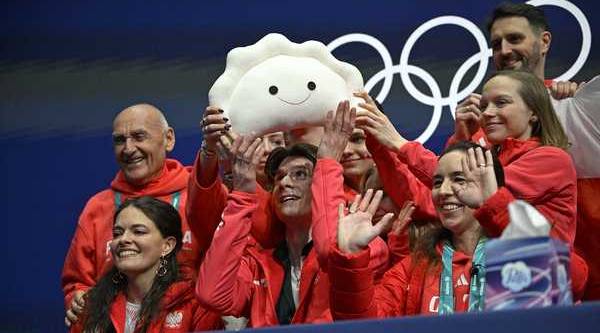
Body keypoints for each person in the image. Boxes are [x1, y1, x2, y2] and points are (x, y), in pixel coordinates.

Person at [356, 70, 588, 299]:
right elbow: (426, 193)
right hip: (490, 286)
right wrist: (379, 144)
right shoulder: (487, 157)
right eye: (484, 105)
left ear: (534, 113)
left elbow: (472, 184)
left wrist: (398, 142)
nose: (488, 113)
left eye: (501, 103)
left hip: (542, 289)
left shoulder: (552, 160)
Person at [450, 2, 600, 299]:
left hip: (583, 270)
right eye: (496, 43)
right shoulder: (486, 124)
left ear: (544, 42)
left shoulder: (576, 105)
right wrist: (459, 139)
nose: (504, 50)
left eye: (515, 39)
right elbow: (450, 190)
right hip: (516, 286)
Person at [195, 103, 388, 327]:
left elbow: (330, 252)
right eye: (278, 178)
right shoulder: (259, 263)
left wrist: (329, 161)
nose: (285, 183)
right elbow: (211, 294)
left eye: (300, 174)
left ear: (319, 186)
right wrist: (243, 194)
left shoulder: (365, 247)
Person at [62, 104, 217, 326]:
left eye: (139, 136)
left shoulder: (200, 194)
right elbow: (77, 282)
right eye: (119, 140)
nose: (128, 148)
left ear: (169, 139)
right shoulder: (98, 208)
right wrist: (77, 297)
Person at [330, 142, 504, 317]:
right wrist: (351, 258)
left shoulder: (515, 250)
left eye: (459, 179)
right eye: (437, 182)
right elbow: (366, 325)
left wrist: (495, 205)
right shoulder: (414, 266)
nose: (443, 191)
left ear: (491, 186)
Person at [70, 196, 221, 333]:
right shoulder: (90, 304)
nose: (123, 239)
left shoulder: (194, 305)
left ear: (167, 246)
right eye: (118, 233)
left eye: (139, 232)